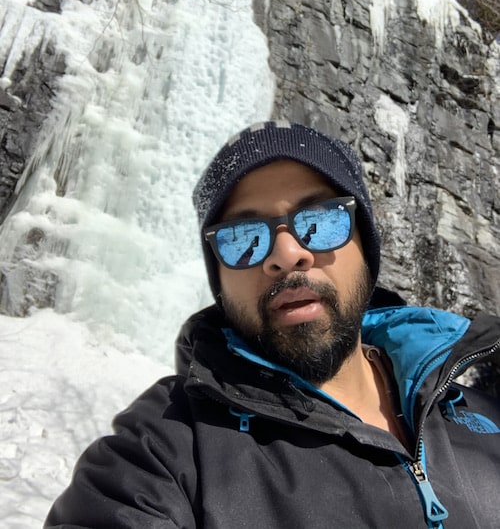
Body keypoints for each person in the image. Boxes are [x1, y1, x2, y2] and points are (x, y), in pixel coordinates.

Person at [45, 121, 500, 528]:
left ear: (367, 245)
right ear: (219, 280)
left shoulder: (484, 420)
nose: (287, 254)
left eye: (321, 220)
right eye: (243, 238)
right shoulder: (166, 447)